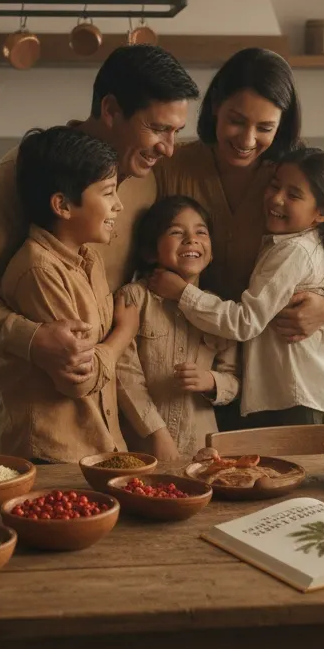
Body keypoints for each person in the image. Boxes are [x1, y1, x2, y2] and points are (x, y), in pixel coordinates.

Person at [0, 45, 199, 451]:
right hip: (23, 396)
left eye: (176, 132)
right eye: (157, 128)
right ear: (111, 109)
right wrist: (32, 339)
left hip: (99, 384)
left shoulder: (146, 172)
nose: (168, 147)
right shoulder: (29, 168)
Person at [153, 47, 324, 427]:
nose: (248, 139)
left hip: (275, 378)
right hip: (195, 362)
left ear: (281, 126)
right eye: (236, 121)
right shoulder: (176, 165)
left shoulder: (294, 173)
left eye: (265, 128)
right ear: (215, 106)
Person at [0, 127, 139, 463]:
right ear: (62, 205)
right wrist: (124, 332)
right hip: (50, 455)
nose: (118, 205)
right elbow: (78, 379)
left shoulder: (89, 258)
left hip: (92, 447)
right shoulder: (39, 271)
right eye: (107, 193)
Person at [116, 196, 239, 460]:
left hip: (202, 451)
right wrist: (157, 433)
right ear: (151, 251)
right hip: (140, 448)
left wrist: (211, 381)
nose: (191, 240)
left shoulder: (219, 311)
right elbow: (123, 375)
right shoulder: (135, 299)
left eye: (200, 232)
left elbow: (234, 379)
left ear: (212, 250)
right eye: (176, 232)